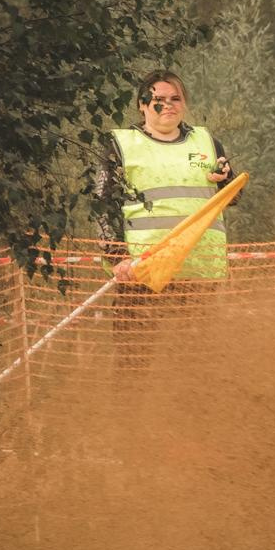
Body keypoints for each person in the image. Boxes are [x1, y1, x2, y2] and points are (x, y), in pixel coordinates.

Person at [90, 70, 241, 365]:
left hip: (198, 272)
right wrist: (116, 255)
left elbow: (232, 197)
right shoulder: (121, 145)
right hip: (141, 272)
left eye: (176, 99)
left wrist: (225, 179)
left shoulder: (207, 142)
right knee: (135, 362)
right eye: (159, 100)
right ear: (142, 104)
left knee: (194, 364)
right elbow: (102, 204)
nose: (168, 105)